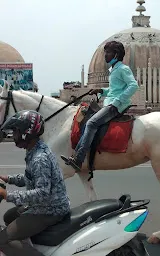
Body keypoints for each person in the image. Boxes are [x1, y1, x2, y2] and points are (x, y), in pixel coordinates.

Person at [0, 110, 70, 256]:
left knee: (2, 240)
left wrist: (8, 196)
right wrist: (8, 178)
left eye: (16, 131)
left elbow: (42, 193)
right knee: (9, 217)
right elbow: (32, 178)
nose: (14, 135)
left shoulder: (39, 158)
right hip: (45, 204)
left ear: (26, 133)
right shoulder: (34, 149)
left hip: (49, 210)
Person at [64, 40, 139, 171]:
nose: (105, 55)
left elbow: (133, 85)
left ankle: (79, 159)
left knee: (91, 123)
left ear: (116, 54)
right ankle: (76, 155)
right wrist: (101, 91)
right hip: (109, 103)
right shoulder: (114, 70)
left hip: (115, 106)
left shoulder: (123, 69)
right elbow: (114, 89)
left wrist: (118, 101)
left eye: (108, 52)